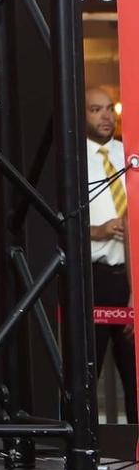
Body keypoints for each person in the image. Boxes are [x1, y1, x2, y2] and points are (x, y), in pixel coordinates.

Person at [84, 85, 135, 423]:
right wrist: (96, 231)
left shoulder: (128, 154)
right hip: (94, 278)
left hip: (130, 277)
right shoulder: (73, 159)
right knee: (88, 374)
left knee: (135, 375)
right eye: (95, 109)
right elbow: (56, 222)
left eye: (108, 109)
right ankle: (82, 450)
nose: (105, 116)